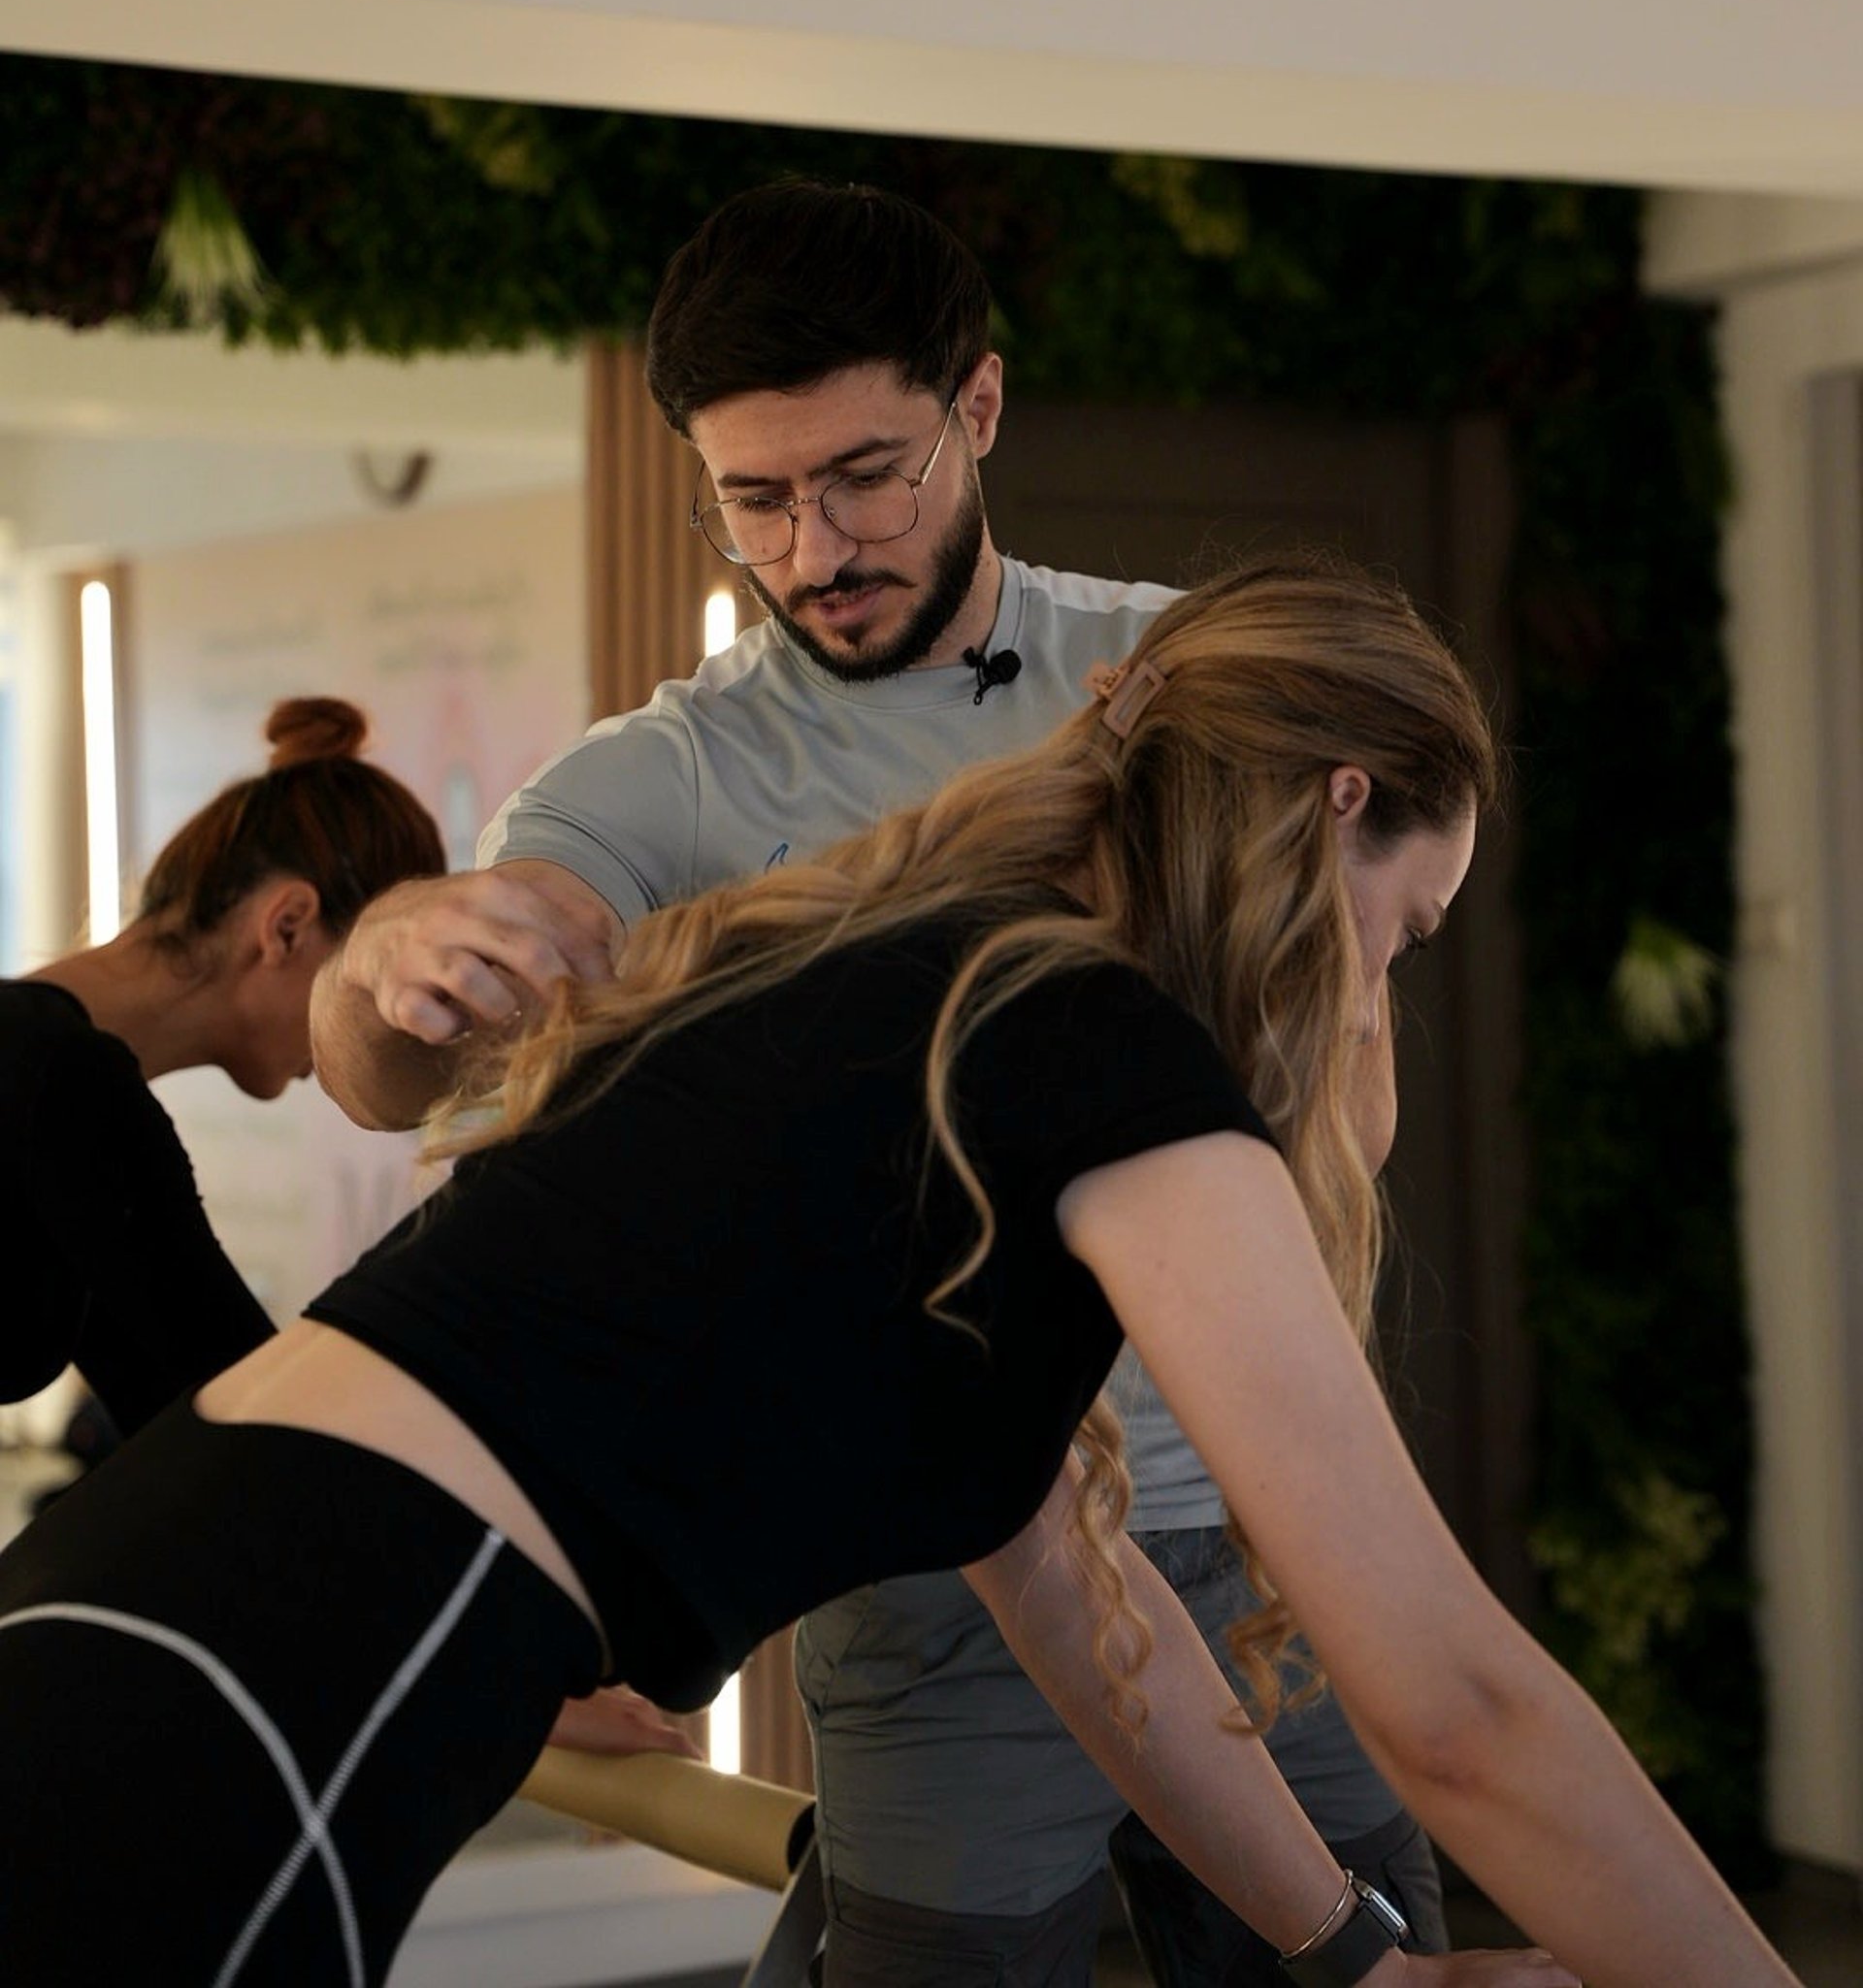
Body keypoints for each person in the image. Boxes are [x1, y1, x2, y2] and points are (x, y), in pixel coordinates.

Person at [0, 561, 1800, 1988]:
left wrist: (1354, 1959)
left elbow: (1093, 1622)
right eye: (1405, 932)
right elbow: (1459, 1711)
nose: (1379, 994)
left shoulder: (938, 999)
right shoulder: (1091, 1045)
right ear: (1339, 810)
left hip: (162, 1615)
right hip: (241, 1700)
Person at [312, 180, 1447, 1985]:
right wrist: (390, 963)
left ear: (977, 408)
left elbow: (1351, 1101)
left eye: (865, 477)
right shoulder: (666, 778)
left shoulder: (1192, 685)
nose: (813, 546)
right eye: (755, 498)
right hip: (935, 1572)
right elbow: (385, 1077)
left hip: (1267, 1519)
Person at [0, 697, 444, 1440]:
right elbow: (239, 1425)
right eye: (370, 987)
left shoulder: (48, 1074)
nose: (382, 1029)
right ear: (287, 926)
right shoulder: (66, 1081)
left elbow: (178, 1402)